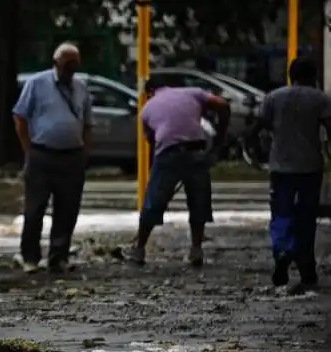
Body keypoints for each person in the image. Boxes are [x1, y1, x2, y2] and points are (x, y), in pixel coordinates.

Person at [248, 57, 331, 292]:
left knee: (281, 214)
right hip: (310, 167)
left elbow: (256, 129)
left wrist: (254, 155)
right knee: (306, 218)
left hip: (281, 168)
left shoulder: (274, 97)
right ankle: (307, 268)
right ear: (313, 76)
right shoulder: (320, 99)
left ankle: (282, 251)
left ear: (290, 75)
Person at [126, 78, 229, 266]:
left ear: (149, 92)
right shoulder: (193, 93)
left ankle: (139, 249)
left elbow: (152, 142)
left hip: (168, 153)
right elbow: (222, 104)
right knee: (199, 200)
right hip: (196, 151)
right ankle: (196, 250)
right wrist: (220, 138)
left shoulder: (147, 109)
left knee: (153, 201)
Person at [12, 42, 93, 274]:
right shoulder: (37, 84)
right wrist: (29, 149)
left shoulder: (81, 88)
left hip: (72, 156)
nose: (71, 69)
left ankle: (58, 257)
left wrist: (84, 151)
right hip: (42, 153)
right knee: (35, 208)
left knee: (67, 209)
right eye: (67, 64)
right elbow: (19, 117)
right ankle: (30, 257)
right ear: (56, 62)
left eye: (75, 64)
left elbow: (87, 123)